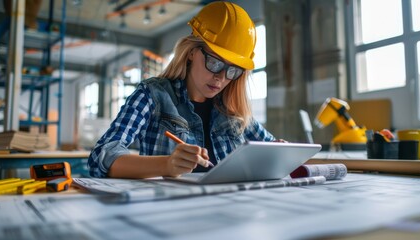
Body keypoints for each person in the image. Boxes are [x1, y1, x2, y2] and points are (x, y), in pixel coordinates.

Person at [88, 1, 283, 179]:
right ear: (191, 52)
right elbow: (101, 156)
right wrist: (166, 165)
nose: (221, 77)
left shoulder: (232, 109)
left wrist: (279, 152)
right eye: (214, 62)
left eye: (233, 70)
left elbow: (273, 149)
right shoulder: (152, 95)